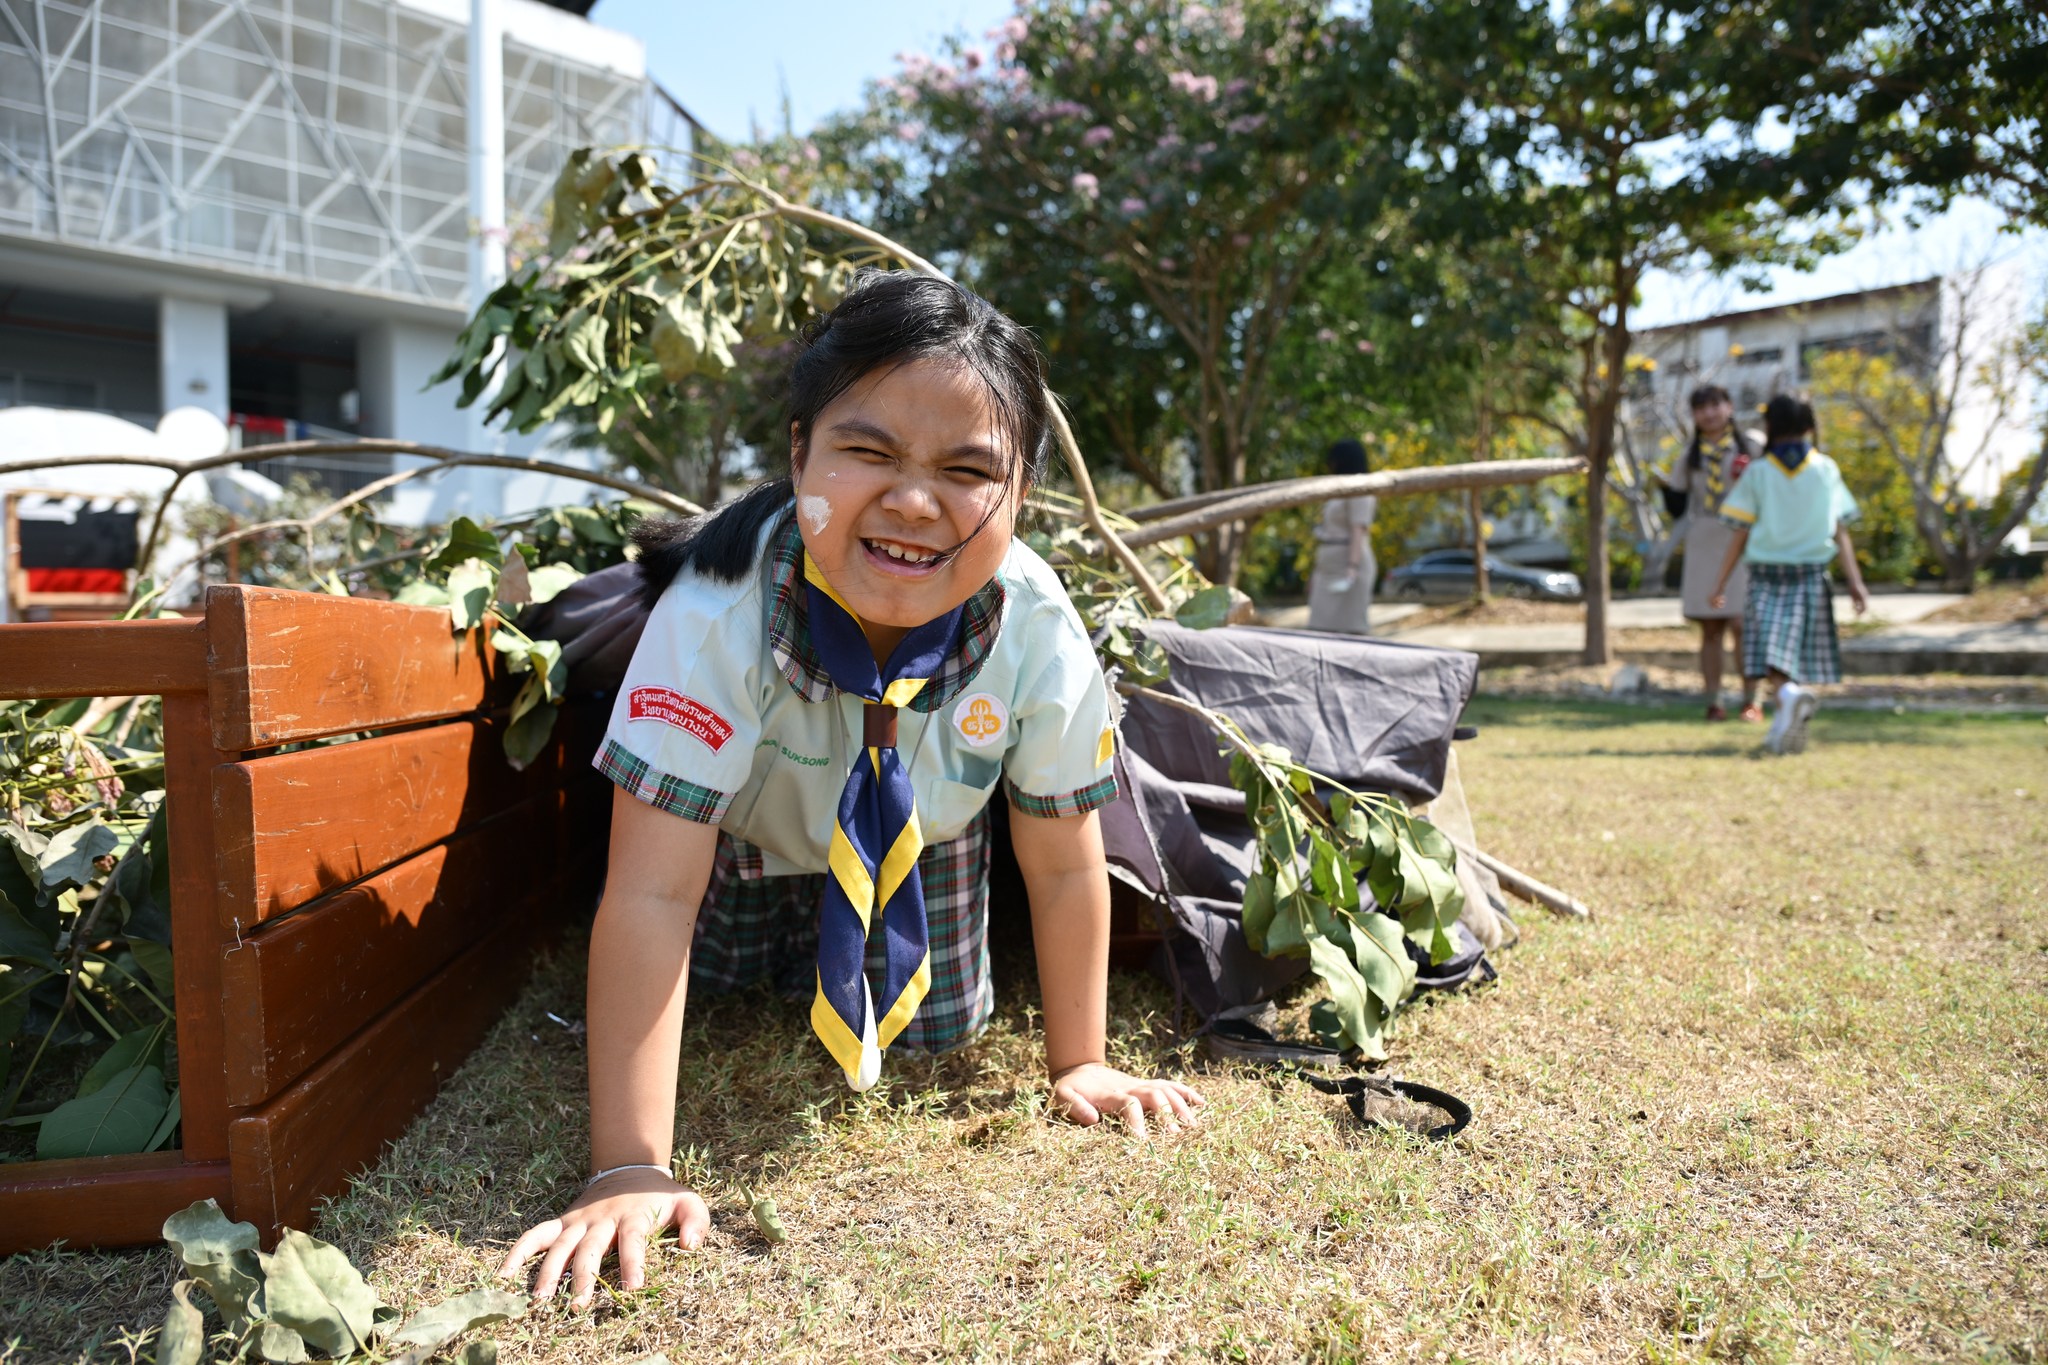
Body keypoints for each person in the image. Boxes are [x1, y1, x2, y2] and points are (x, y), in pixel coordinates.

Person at [497, 272, 1205, 1308]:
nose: (913, 503)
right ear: (798, 455)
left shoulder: (1037, 621)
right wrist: (629, 1166)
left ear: (1022, 496)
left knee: (942, 1032)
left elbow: (1062, 861)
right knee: (725, 1003)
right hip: (739, 853)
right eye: (869, 453)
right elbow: (651, 894)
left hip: (929, 856)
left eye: (968, 470)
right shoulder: (715, 610)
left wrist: (1081, 1062)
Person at [1708, 393, 1870, 755]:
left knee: (1771, 654)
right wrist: (1856, 583)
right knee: (1792, 653)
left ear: (1770, 426)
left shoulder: (1758, 472)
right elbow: (1841, 531)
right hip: (1812, 575)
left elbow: (1740, 532)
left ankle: (1788, 699)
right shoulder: (1826, 469)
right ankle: (1784, 719)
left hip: (1767, 576)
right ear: (1809, 425)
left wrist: (1719, 583)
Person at [1660, 384, 1762, 721]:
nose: (1709, 413)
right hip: (1704, 539)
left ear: (1729, 406)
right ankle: (1714, 701)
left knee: (1743, 624)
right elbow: (1676, 505)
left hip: (1745, 537)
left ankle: (1751, 700)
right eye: (1701, 408)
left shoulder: (1753, 446)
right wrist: (1662, 486)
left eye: (1715, 405)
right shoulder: (1689, 455)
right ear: (1694, 415)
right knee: (1711, 628)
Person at [1306, 438, 1377, 633]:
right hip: (1328, 566)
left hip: (1348, 567)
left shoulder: (1361, 489)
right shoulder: (1338, 490)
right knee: (1318, 628)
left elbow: (1358, 531)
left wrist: (1352, 568)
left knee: (1350, 629)